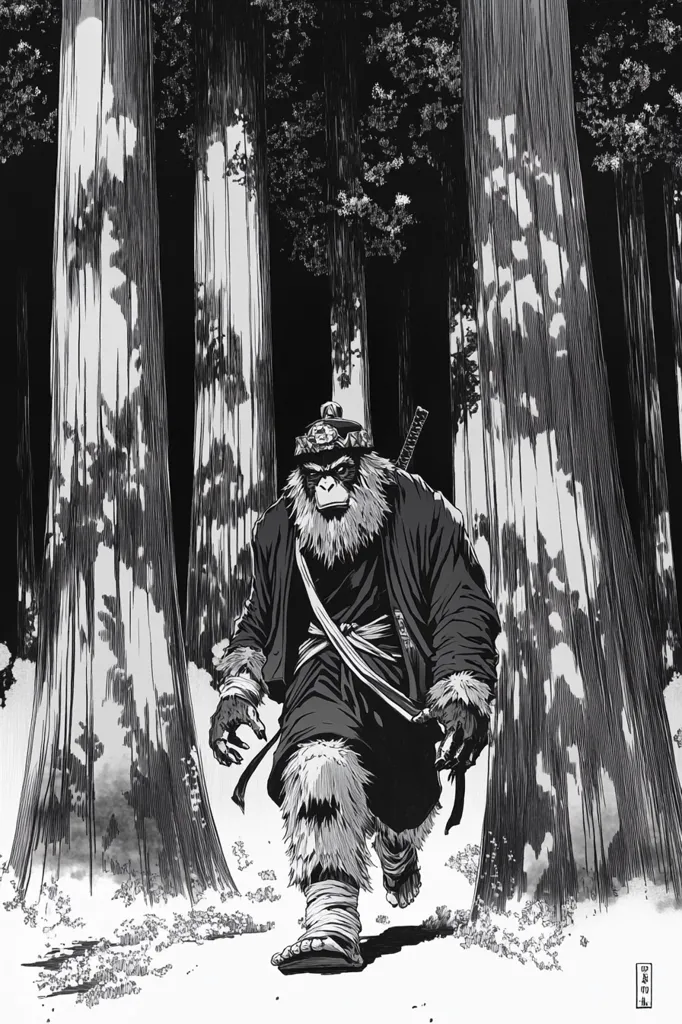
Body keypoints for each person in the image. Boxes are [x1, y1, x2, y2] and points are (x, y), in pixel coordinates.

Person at [209, 401, 500, 973]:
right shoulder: (279, 527)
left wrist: (463, 688)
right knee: (317, 765)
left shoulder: (417, 508)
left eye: (339, 475)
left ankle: (397, 845)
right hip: (320, 672)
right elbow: (258, 617)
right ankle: (332, 918)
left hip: (398, 674)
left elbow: (460, 602)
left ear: (363, 469)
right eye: (314, 480)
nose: (326, 493)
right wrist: (238, 690)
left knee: (406, 800)